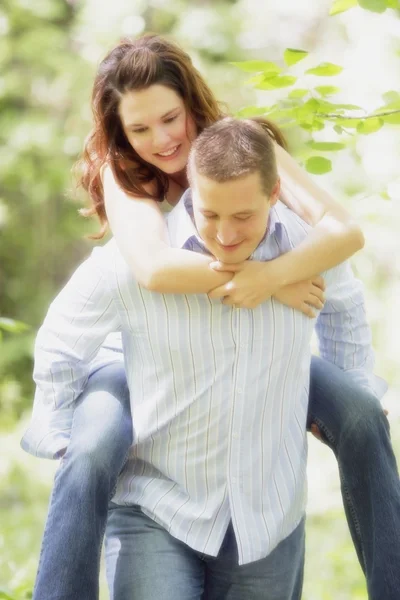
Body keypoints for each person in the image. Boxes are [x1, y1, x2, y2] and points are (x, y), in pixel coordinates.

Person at [21, 35, 400, 600]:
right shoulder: (124, 176)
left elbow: (342, 233)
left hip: (264, 337)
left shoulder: (244, 147)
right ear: (120, 132)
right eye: (140, 129)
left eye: (170, 118)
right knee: (94, 446)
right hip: (138, 356)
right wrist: (270, 279)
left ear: (192, 103)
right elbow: (151, 269)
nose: (161, 140)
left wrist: (273, 277)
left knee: (362, 412)